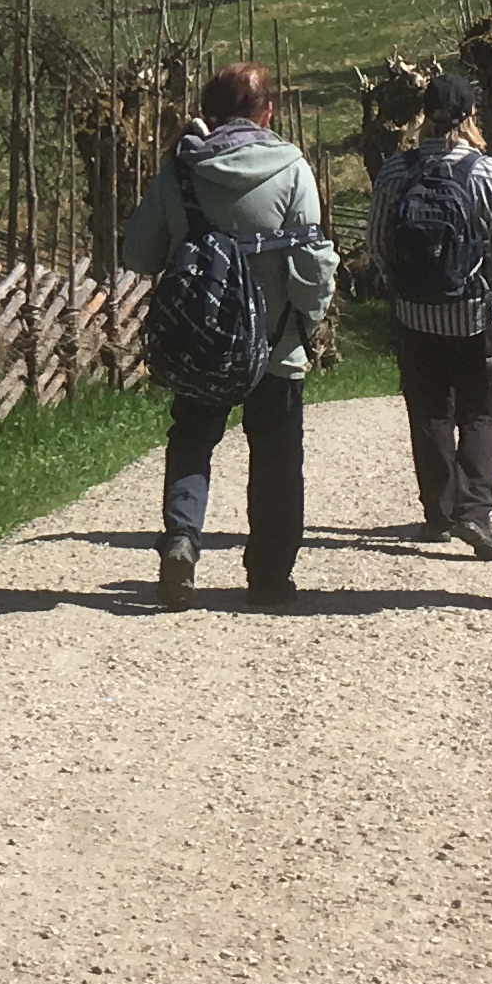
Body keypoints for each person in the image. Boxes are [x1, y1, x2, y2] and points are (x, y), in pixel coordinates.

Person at [117, 63, 339, 608]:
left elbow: (137, 252)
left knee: (192, 440)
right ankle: (268, 575)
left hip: (203, 340)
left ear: (209, 113)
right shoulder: (292, 169)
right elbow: (313, 263)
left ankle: (181, 540)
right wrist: (310, 320)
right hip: (274, 343)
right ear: (267, 113)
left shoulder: (183, 166)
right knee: (277, 456)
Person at [369, 71, 492, 558]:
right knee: (482, 411)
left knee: (429, 413)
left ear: (424, 114)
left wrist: (403, 290)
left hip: (416, 315)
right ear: (472, 115)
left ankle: (439, 513)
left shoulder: (396, 172)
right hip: (479, 315)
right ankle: (475, 513)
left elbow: (378, 245)